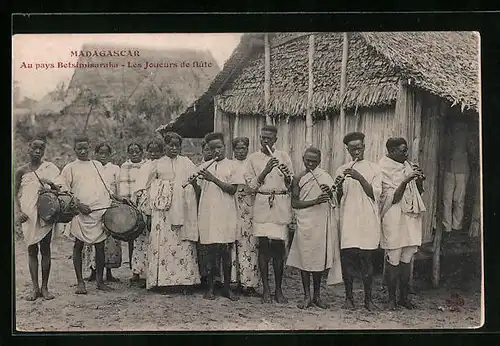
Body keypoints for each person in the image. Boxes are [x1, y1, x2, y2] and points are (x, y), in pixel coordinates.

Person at [58, 135, 122, 294]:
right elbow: (64, 192)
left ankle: (100, 281)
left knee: (100, 247)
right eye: (79, 148)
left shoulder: (97, 165)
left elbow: (106, 187)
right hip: (80, 213)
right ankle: (80, 282)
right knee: (78, 246)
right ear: (74, 149)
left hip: (99, 211)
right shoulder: (69, 168)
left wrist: (117, 199)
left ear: (89, 148)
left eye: (85, 148)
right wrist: (78, 205)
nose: (83, 151)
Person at [138, 132, 200, 290]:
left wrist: (188, 187)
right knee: (163, 243)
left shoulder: (186, 163)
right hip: (163, 212)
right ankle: (163, 281)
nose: (173, 148)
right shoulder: (157, 164)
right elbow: (148, 186)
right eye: (170, 145)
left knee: (182, 242)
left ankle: (184, 281)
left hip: (183, 209)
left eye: (177, 146)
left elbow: (196, 181)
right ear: (164, 146)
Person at [245, 125, 294, 304]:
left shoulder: (283, 156)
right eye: (263, 138)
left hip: (280, 204)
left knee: (279, 249)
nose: (266, 141)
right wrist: (265, 170)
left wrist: (287, 176)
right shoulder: (253, 159)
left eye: (269, 139)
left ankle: (278, 290)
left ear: (275, 140)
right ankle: (266, 289)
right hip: (262, 204)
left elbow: (291, 183)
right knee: (264, 247)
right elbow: (251, 187)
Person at [287, 147, 341, 309]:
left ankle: (317, 296)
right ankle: (306, 296)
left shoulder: (325, 177)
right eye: (307, 160)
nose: (310, 164)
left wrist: (330, 193)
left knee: (317, 260)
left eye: (314, 161)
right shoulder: (297, 178)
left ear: (320, 161)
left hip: (321, 223)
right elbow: (295, 203)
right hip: (305, 223)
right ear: (303, 158)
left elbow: (335, 198)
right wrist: (314, 201)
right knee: (305, 260)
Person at [335, 132, 381, 311]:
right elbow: (337, 198)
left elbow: (375, 194)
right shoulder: (341, 169)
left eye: (359, 148)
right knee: (348, 259)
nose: (356, 151)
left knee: (366, 259)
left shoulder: (374, 169)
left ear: (364, 147)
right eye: (352, 149)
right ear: (347, 150)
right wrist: (338, 185)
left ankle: (368, 300)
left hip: (367, 219)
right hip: (348, 219)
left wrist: (359, 177)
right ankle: (349, 298)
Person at [194, 132, 242, 301]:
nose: (216, 152)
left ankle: (227, 288)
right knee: (210, 252)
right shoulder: (203, 166)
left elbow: (232, 189)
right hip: (208, 213)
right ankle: (210, 287)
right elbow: (199, 191)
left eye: (219, 148)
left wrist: (213, 179)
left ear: (225, 147)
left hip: (226, 213)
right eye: (212, 149)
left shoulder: (233, 165)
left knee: (225, 252)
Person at [379, 137, 426, 310]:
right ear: (391, 151)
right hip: (394, 216)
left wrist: (418, 179)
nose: (406, 154)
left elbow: (419, 192)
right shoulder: (382, 168)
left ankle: (404, 298)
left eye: (406, 150)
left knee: (407, 258)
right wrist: (406, 180)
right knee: (394, 258)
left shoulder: (407, 165)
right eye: (402, 151)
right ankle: (391, 299)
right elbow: (392, 198)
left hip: (409, 216)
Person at [15, 135, 60, 301]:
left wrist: (50, 184)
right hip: (28, 215)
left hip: (45, 213)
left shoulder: (50, 168)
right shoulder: (21, 171)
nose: (37, 151)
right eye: (34, 148)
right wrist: (18, 212)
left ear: (44, 151)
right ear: (28, 148)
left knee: (45, 249)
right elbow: (15, 194)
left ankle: (45, 288)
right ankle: (35, 288)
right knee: (31, 250)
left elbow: (59, 192)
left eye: (41, 148)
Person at [83, 143, 122, 282]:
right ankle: (93, 271)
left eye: (106, 153)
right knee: (93, 238)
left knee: (109, 239)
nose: (103, 156)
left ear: (110, 154)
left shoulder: (115, 169)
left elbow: (117, 188)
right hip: (94, 206)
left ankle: (109, 272)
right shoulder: (91, 167)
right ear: (96, 154)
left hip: (110, 205)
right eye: (100, 153)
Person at [131, 139, 164, 287]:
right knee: (141, 240)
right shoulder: (145, 166)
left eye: (157, 151)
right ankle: (137, 272)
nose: (153, 154)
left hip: (158, 204)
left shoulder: (163, 165)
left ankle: (152, 274)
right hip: (144, 205)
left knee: (155, 240)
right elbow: (139, 187)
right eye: (151, 151)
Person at [232, 136, 259, 296]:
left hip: (250, 206)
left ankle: (249, 283)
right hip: (233, 205)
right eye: (238, 149)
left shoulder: (252, 164)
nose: (241, 152)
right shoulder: (230, 165)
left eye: (243, 148)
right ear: (233, 150)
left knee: (249, 244)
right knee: (234, 242)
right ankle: (234, 281)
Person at [442, 116, 474, 237]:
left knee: (458, 200)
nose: (458, 130)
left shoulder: (468, 137)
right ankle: (448, 226)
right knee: (448, 200)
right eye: (456, 127)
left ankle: (456, 226)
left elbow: (472, 151)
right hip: (449, 170)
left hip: (462, 170)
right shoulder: (448, 137)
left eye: (461, 128)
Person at [119, 143, 146, 276]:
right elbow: (123, 185)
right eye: (131, 152)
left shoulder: (147, 165)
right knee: (131, 237)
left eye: (137, 151)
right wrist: (126, 203)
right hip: (130, 205)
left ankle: (145, 270)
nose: (134, 154)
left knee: (145, 237)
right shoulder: (124, 166)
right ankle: (134, 270)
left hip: (145, 204)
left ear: (142, 153)